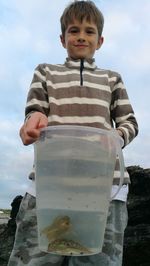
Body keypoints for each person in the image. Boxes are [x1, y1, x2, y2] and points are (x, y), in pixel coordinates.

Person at [8, 1, 138, 265]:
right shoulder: (45, 72)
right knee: (32, 259)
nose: (81, 36)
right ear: (62, 38)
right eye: (73, 30)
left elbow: (129, 122)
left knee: (99, 260)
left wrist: (115, 137)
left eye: (89, 31)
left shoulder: (112, 79)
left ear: (100, 40)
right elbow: (34, 111)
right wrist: (33, 122)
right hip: (49, 188)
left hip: (105, 189)